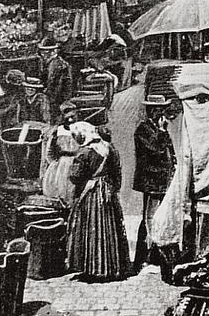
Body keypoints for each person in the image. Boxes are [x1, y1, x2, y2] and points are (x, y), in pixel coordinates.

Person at [66, 120, 131, 281]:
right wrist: (113, 189)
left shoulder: (84, 153)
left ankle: (93, 268)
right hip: (107, 192)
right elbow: (117, 172)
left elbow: (75, 176)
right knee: (109, 228)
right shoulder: (109, 147)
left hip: (91, 193)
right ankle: (111, 267)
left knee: (91, 228)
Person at [132, 95, 176, 272]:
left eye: (162, 109)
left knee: (161, 217)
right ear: (151, 110)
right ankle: (141, 258)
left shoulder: (157, 128)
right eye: (158, 109)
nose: (161, 112)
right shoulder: (143, 130)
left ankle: (155, 255)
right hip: (151, 181)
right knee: (149, 218)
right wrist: (163, 132)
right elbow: (156, 149)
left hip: (162, 180)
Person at [42, 103, 81, 206]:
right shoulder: (58, 131)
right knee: (61, 187)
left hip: (77, 162)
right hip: (62, 164)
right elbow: (49, 150)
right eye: (68, 117)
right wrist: (54, 164)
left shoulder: (80, 129)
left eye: (73, 117)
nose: (70, 120)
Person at [39, 39, 76, 110]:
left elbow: (62, 86)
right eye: (42, 51)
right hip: (51, 98)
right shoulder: (47, 63)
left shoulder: (60, 64)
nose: (43, 54)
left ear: (53, 51)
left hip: (57, 100)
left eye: (46, 51)